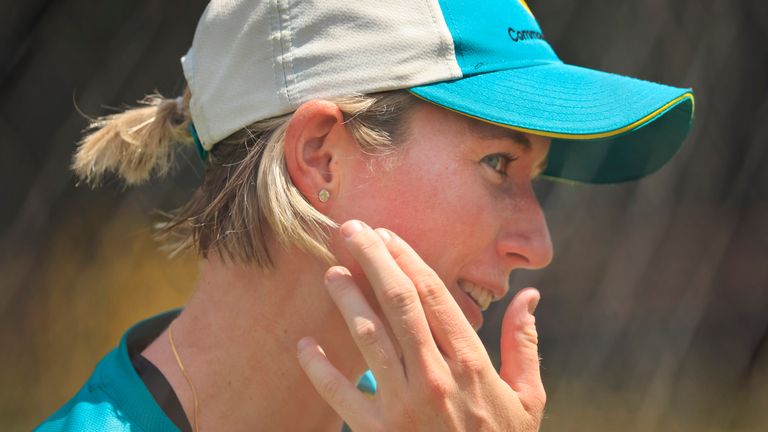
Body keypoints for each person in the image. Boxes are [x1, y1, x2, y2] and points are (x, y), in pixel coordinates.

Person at [37, 0, 694, 431]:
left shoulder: (428, 416)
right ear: (320, 157)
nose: (538, 244)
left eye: (535, 179)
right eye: (498, 163)